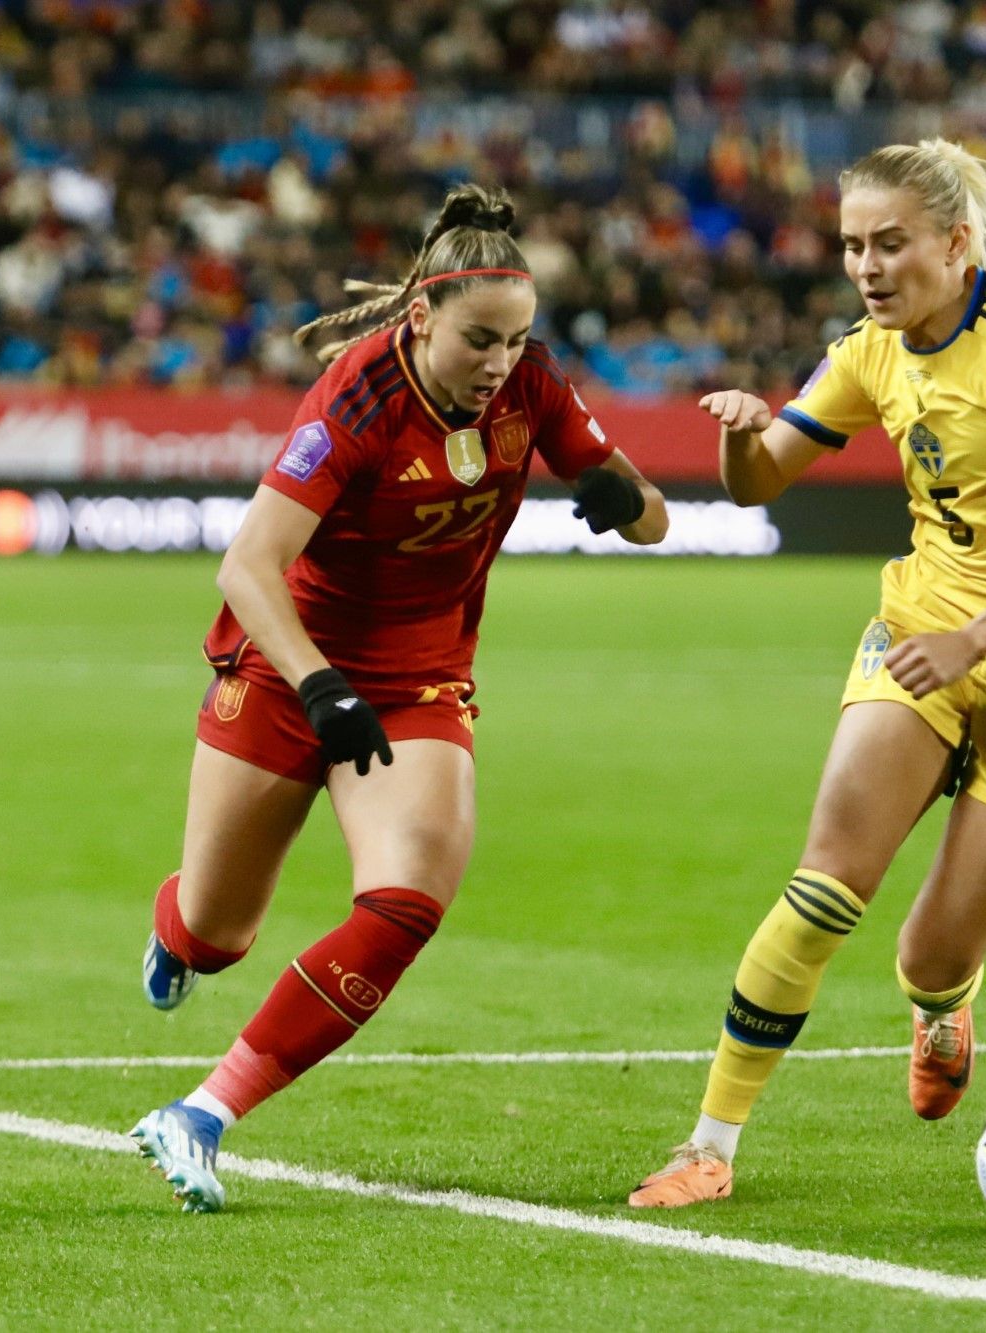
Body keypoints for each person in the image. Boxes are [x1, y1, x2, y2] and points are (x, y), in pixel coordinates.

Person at [627, 138, 986, 1209]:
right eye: (850, 247)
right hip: (921, 634)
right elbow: (759, 482)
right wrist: (740, 435)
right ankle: (708, 1149)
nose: (866, 267)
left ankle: (940, 999)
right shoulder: (867, 348)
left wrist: (979, 641)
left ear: (955, 243)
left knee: (926, 949)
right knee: (824, 885)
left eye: (889, 244)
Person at [127, 184, 670, 1214]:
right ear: (419, 317)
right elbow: (248, 566)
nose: (500, 365)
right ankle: (176, 934)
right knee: (217, 931)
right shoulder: (357, 398)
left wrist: (621, 497)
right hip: (290, 662)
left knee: (408, 897)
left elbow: (651, 521)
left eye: (516, 342)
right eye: (479, 341)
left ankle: (201, 1113)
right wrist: (319, 685)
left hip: (420, 674)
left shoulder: (531, 387)